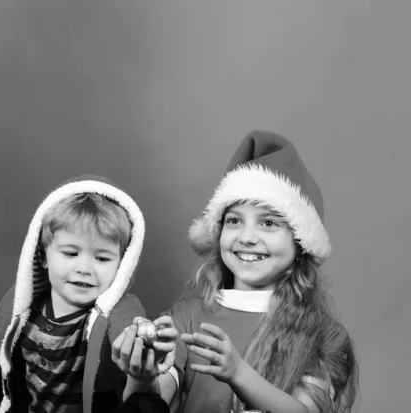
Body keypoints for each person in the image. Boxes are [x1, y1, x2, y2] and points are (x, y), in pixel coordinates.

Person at [112, 131, 359, 413]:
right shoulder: (186, 318)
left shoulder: (324, 335)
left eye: (268, 223)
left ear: (300, 243)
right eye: (234, 221)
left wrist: (238, 373)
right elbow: (156, 400)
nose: (247, 237)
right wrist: (141, 377)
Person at [0, 175, 174, 413]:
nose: (84, 269)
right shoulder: (27, 304)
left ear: (122, 266)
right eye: (70, 253)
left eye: (102, 258)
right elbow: (3, 327)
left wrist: (145, 347)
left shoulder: (117, 312)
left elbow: (128, 334)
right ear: (43, 256)